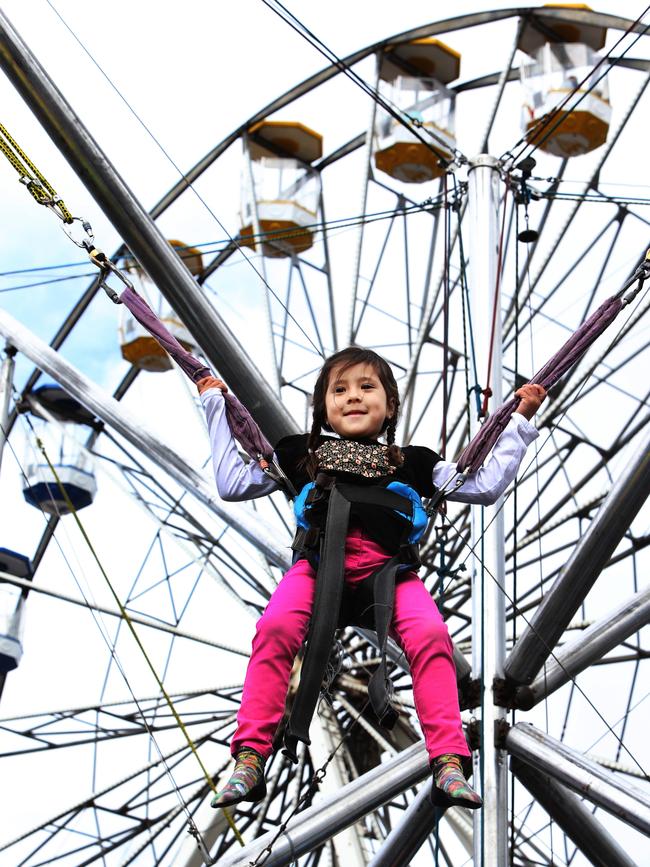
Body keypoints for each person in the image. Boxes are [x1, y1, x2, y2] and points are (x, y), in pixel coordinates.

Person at [197, 347, 545, 810]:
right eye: (338, 390)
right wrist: (214, 405)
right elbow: (232, 483)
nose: (353, 398)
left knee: (431, 637)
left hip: (390, 574)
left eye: (366, 387)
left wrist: (519, 421)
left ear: (391, 404)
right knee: (275, 629)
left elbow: (481, 484)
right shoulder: (302, 454)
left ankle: (447, 759)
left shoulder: (417, 463)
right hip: (318, 571)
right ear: (322, 408)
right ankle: (250, 756)